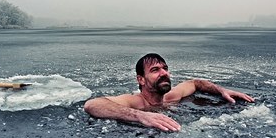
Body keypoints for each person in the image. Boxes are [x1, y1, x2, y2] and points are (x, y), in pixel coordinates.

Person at [83, 53, 255, 132]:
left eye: (165, 68)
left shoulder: (173, 96)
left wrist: (222, 90)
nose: (164, 73)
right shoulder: (135, 102)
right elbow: (92, 104)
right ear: (141, 79)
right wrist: (139, 116)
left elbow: (195, 83)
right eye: (155, 70)